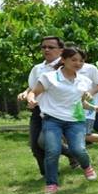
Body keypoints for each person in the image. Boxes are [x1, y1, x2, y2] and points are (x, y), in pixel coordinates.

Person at [26, 46, 98, 194]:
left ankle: (87, 166)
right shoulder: (49, 77)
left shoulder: (84, 81)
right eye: (74, 60)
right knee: (53, 150)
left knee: (78, 149)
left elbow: (80, 103)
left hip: (75, 121)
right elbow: (33, 92)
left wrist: (96, 108)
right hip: (52, 120)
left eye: (81, 61)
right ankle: (52, 183)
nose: (78, 63)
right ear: (63, 60)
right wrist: (31, 100)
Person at [17, 36, 77, 175]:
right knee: (35, 145)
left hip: (59, 110)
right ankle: (47, 174)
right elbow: (33, 88)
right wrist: (26, 94)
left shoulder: (67, 67)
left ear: (61, 50)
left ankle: (72, 154)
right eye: (43, 47)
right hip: (39, 109)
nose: (46, 50)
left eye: (51, 47)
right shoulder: (37, 68)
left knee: (44, 141)